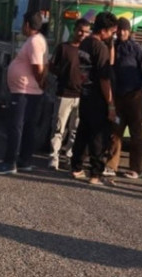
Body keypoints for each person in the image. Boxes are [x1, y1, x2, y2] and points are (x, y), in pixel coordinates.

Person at [0, 11, 48, 175]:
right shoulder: (38, 40)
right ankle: (24, 160)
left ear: (27, 25)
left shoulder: (34, 41)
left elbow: (38, 67)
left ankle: (9, 162)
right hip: (28, 91)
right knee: (27, 126)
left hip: (25, 91)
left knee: (15, 126)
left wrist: (40, 82)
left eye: (23, 24)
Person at [70, 11, 118, 186]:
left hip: (85, 93)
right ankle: (95, 174)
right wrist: (110, 104)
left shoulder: (84, 44)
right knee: (99, 136)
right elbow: (105, 79)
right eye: (111, 32)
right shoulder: (100, 48)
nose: (112, 36)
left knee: (83, 132)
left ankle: (76, 167)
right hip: (98, 98)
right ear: (103, 31)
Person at [104, 17, 142, 179]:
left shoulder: (136, 49)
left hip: (134, 98)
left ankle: (135, 169)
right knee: (115, 132)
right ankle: (111, 165)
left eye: (125, 30)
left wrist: (141, 91)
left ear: (129, 31)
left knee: (136, 134)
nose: (122, 33)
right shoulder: (112, 46)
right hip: (118, 97)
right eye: (119, 30)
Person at [47, 18, 91, 171]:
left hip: (81, 96)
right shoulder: (63, 48)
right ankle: (53, 157)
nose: (82, 34)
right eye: (80, 31)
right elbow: (51, 66)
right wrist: (62, 75)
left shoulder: (88, 51)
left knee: (75, 130)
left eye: (86, 32)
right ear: (74, 30)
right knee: (58, 128)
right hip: (64, 94)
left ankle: (69, 157)